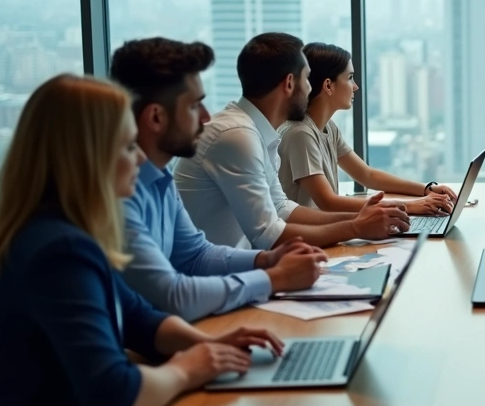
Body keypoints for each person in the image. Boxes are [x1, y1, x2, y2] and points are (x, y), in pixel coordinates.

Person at [0, 75, 284, 406]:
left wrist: (208, 343)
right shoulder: (58, 250)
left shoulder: (63, 231)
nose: (140, 158)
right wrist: (190, 366)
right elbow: (115, 394)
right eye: (127, 146)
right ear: (86, 159)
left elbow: (140, 318)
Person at [110, 38, 327, 321]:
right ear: (156, 117)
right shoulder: (118, 195)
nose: (204, 118)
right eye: (193, 106)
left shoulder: (159, 176)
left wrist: (265, 261)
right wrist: (273, 278)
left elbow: (196, 255)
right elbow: (172, 296)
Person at [174, 32, 410, 249]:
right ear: (289, 84)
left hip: (234, 266)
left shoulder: (260, 134)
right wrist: (356, 227)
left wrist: (364, 219)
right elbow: (268, 234)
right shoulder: (237, 136)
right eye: (307, 79)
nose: (311, 89)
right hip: (208, 278)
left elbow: (282, 209)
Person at [278, 42, 457, 215]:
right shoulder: (300, 135)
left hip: (324, 232)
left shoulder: (327, 128)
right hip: (305, 241)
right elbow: (328, 201)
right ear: (328, 86)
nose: (355, 86)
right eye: (349, 78)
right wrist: (408, 206)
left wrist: (427, 189)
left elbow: (366, 174)